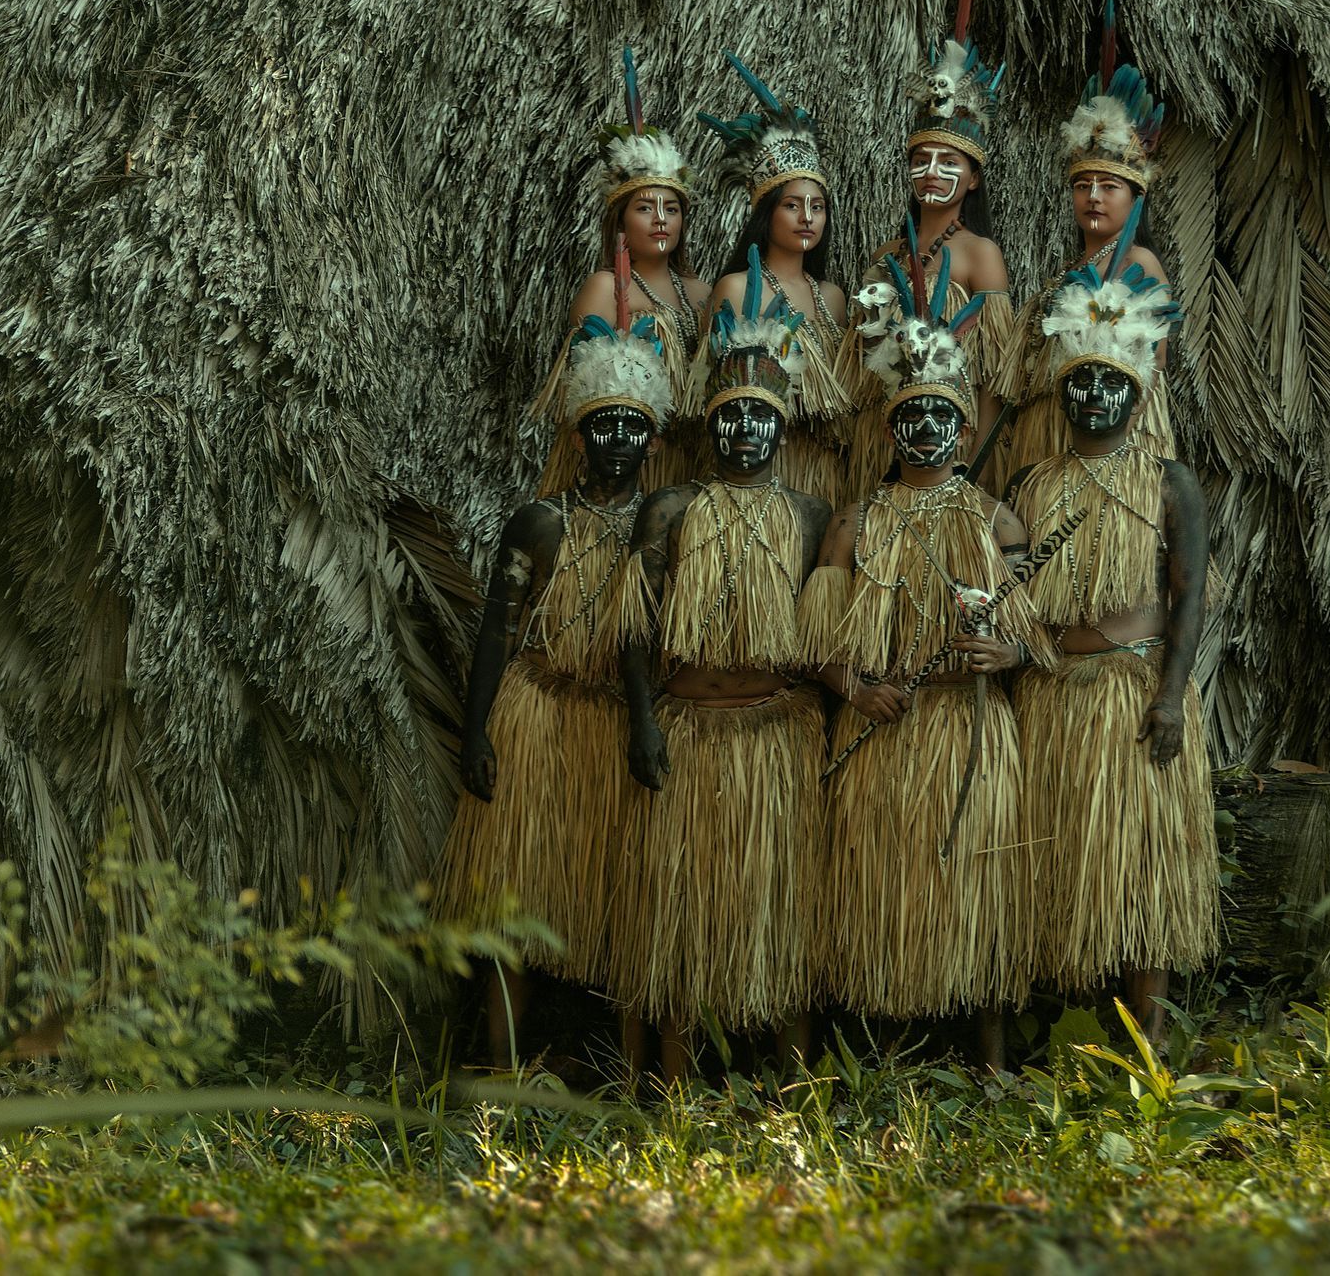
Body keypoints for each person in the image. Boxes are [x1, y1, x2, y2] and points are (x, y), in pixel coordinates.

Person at [801, 265, 1050, 1069]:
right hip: (885, 730)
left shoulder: (997, 520)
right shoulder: (854, 523)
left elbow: (1028, 632)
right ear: (889, 431)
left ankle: (989, 1057)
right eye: (913, 417)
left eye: (943, 416)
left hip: (964, 728)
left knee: (973, 884)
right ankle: (888, 1055)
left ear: (966, 430)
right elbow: (822, 648)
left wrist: (1006, 651)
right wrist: (856, 689)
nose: (927, 431)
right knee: (885, 888)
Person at [610, 255, 834, 1082]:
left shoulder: (811, 518)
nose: (745, 430)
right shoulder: (670, 510)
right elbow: (633, 633)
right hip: (687, 730)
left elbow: (823, 643)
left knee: (778, 911)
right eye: (731, 416)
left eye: (759, 417)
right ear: (710, 425)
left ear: (782, 427)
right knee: (679, 910)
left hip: (776, 739)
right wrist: (640, 722)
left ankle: (795, 1079)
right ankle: (672, 1082)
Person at [435, 296, 672, 1066]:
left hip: (614, 722)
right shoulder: (539, 522)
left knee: (624, 904)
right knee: (517, 904)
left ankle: (635, 1079)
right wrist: (476, 732)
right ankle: (503, 1067)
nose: (618, 441)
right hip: (535, 714)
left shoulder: (665, 530)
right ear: (578, 434)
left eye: (634, 427)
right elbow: (497, 632)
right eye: (605, 425)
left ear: (653, 440)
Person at [1005, 258, 1218, 1044]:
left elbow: (1190, 594)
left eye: (1110, 384)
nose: (1094, 395)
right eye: (1080, 383)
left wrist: (1169, 696)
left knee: (1139, 863)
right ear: (1061, 393)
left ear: (1137, 393)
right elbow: (1015, 599)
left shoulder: (1170, 482)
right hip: (1056, 693)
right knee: (1067, 862)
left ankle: (1150, 1031)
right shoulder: (1032, 484)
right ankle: (1081, 1031)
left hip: (1132, 693)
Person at [843, 0, 1016, 496]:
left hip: (955, 446)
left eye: (949, 163)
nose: (932, 174)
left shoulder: (980, 256)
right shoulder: (886, 255)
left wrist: (982, 471)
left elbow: (993, 382)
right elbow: (861, 367)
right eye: (921, 160)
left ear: (972, 177)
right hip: (883, 442)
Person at [1010, 0, 1179, 471]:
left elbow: (1155, 365)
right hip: (1049, 432)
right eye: (1083, 186)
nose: (1093, 197)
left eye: (1109, 186)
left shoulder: (1138, 264)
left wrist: (1113, 442)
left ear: (1135, 197)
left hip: (1112, 440)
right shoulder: (1072, 268)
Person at [533, 47, 708, 493]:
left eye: (671, 208)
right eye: (645, 207)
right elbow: (586, 389)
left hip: (689, 462)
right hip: (622, 461)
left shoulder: (701, 292)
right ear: (620, 218)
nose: (661, 218)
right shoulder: (607, 287)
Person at [696, 53, 853, 504]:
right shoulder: (736, 288)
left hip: (822, 472)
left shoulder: (832, 298)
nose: (808, 218)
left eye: (817, 207)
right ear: (767, 213)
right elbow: (713, 386)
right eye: (792, 205)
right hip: (754, 470)